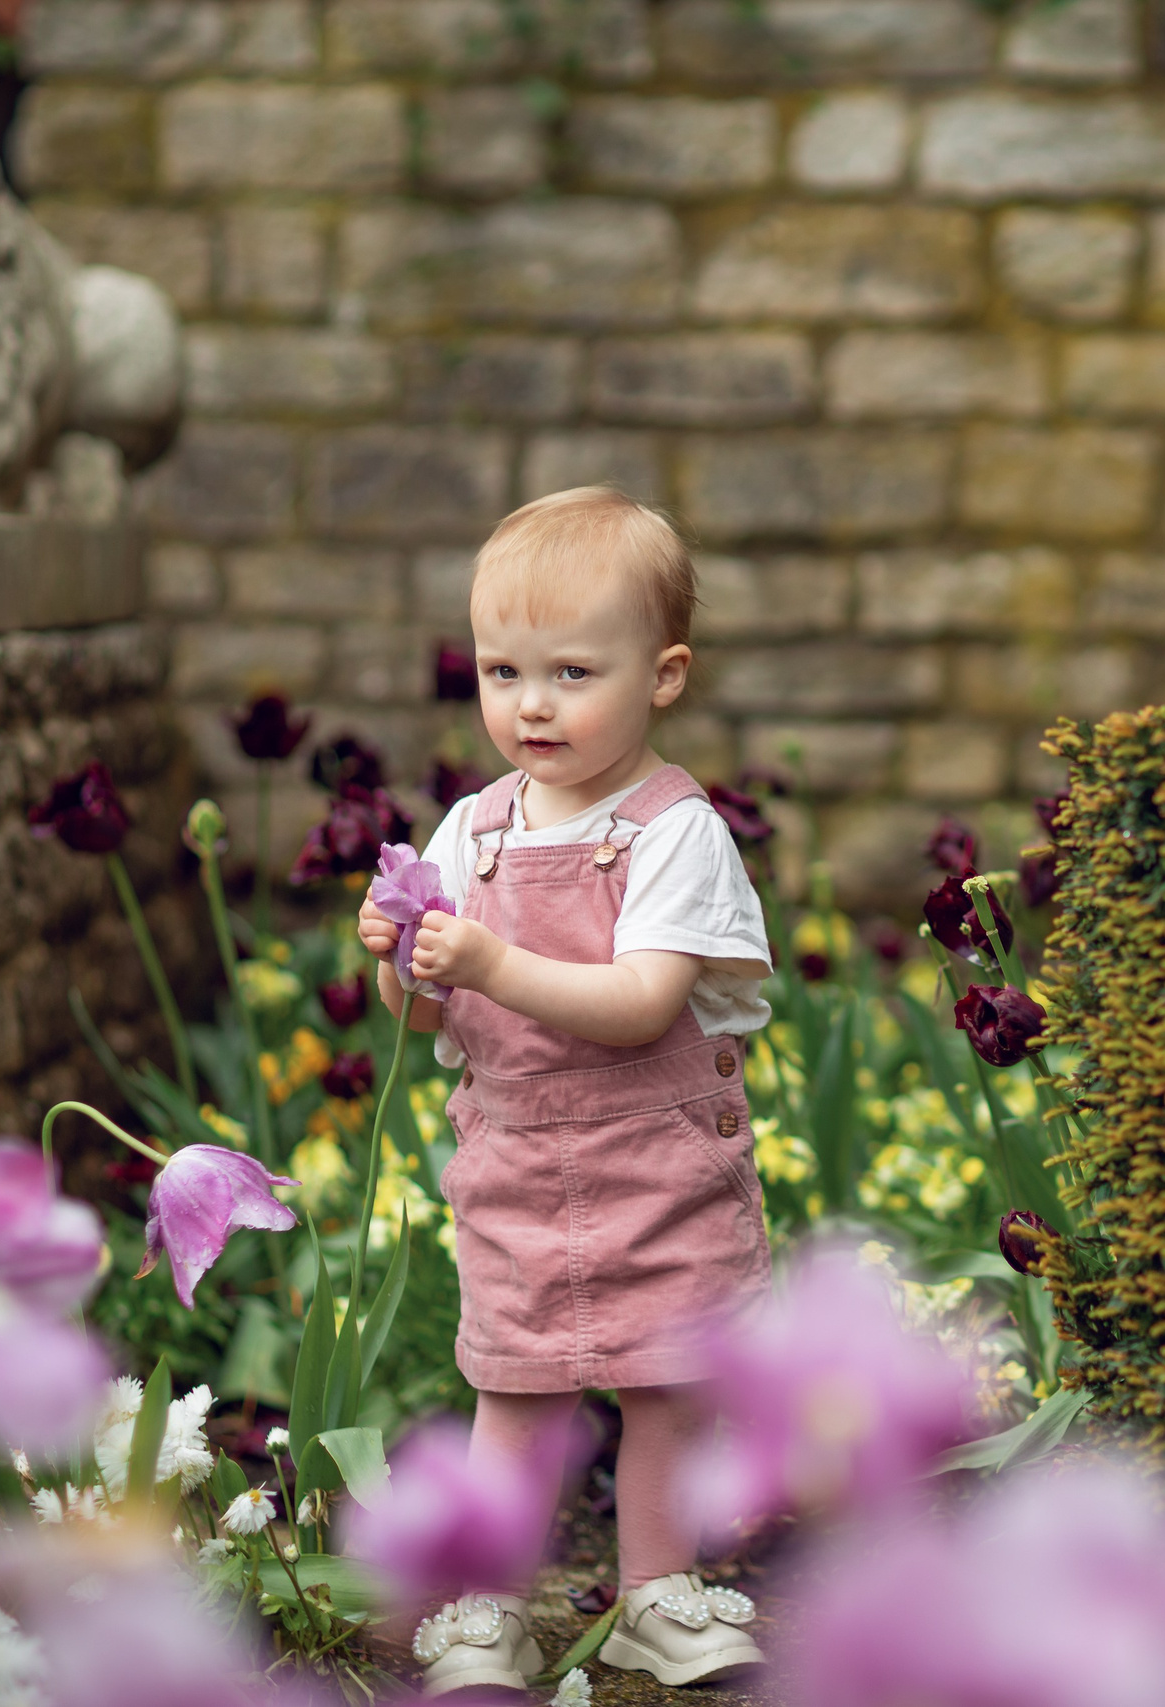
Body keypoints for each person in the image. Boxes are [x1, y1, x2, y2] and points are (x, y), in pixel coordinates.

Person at [358, 487, 774, 1694]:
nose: (531, 705)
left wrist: (485, 955)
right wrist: (401, 961)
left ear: (664, 675)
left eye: (573, 672)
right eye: (502, 671)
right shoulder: (468, 832)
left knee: (664, 1384)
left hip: (658, 1164)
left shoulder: (672, 831)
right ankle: (490, 1611)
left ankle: (657, 1592)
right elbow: (432, 1019)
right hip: (520, 1162)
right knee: (518, 1391)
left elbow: (642, 1001)